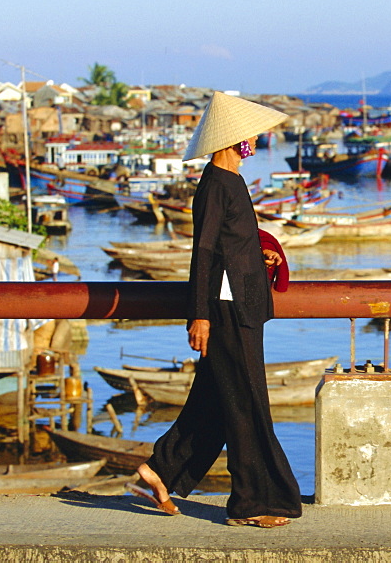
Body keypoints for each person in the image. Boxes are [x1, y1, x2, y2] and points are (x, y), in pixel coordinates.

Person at [127, 92, 302, 529]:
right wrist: (198, 314)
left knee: (215, 401)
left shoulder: (233, 181)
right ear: (232, 140)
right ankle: (254, 500)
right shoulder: (215, 185)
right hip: (225, 311)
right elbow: (203, 252)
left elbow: (233, 243)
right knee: (245, 403)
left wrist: (264, 255)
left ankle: (162, 470)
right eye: (250, 136)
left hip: (243, 301)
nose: (255, 142)